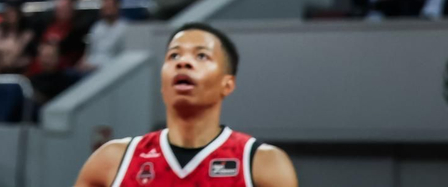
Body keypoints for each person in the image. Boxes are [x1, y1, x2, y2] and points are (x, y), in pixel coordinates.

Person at [72, 23, 298, 187]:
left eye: (201, 56)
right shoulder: (113, 160)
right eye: (173, 56)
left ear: (227, 84)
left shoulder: (263, 163)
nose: (183, 62)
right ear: (163, 84)